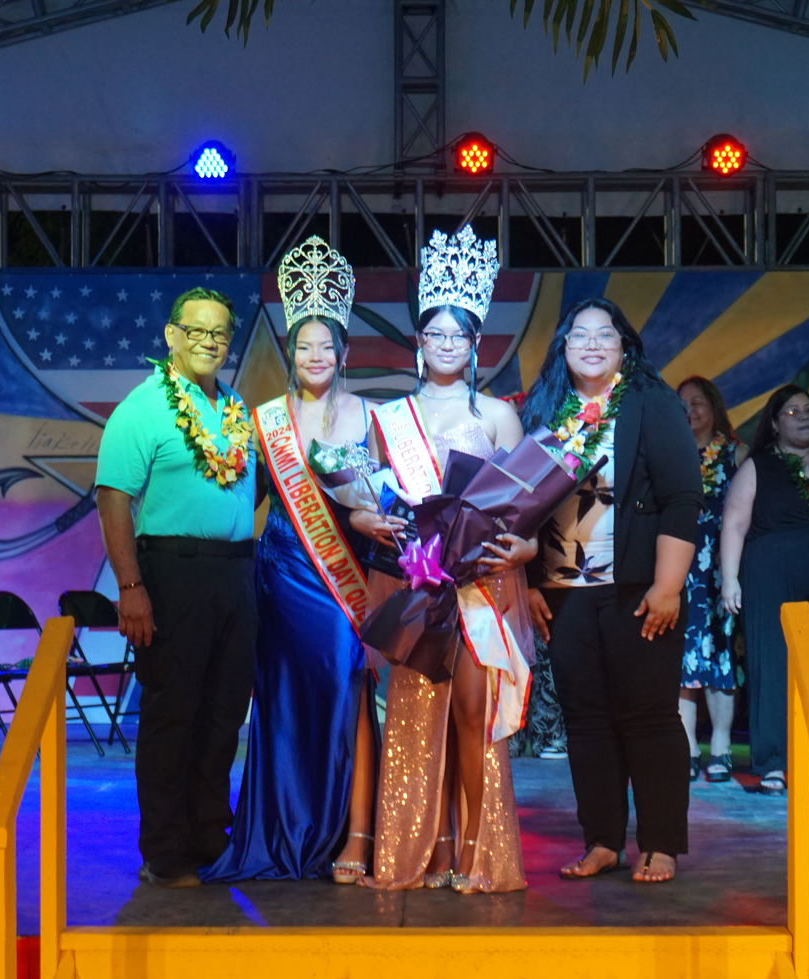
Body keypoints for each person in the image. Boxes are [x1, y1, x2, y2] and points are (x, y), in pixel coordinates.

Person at [201, 237, 382, 885]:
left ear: (343, 352)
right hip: (279, 576)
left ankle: (348, 834)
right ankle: (283, 828)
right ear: (291, 352)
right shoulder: (266, 420)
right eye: (303, 346)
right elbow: (244, 500)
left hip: (341, 579)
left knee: (343, 690)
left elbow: (385, 496)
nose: (315, 355)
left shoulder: (369, 416)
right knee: (281, 703)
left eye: (325, 345)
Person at [360, 225, 534, 894]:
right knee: (416, 716)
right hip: (418, 583)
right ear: (419, 340)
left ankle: (477, 850)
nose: (447, 344)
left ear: (476, 343)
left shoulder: (496, 415)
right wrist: (378, 522)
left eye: (459, 335)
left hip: (479, 586)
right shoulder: (390, 417)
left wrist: (510, 546)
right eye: (436, 333)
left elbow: (519, 504)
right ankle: (427, 849)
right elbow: (377, 498)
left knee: (471, 713)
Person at [525, 299, 702, 883]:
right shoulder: (545, 409)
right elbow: (517, 503)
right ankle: (601, 841)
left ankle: (660, 843)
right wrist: (528, 584)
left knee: (648, 716)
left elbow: (682, 497)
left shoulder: (652, 403)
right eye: (581, 335)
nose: (593, 344)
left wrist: (668, 586)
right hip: (563, 591)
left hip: (638, 588)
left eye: (606, 335)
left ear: (624, 346)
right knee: (586, 721)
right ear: (564, 346)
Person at [96, 286, 258, 887]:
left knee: (223, 715)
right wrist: (130, 586)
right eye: (197, 330)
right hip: (172, 574)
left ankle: (210, 838)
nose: (210, 342)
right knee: (173, 714)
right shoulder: (142, 408)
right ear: (171, 335)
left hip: (235, 573)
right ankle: (165, 854)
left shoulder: (236, 409)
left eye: (220, 333)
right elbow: (113, 498)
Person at [718, 385, 809, 794]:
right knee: (774, 664)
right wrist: (730, 579)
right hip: (771, 574)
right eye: (792, 412)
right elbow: (735, 523)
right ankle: (774, 762)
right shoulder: (759, 465)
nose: (804, 416)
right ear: (775, 424)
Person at [675, 376, 745, 785]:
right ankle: (686, 745)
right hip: (680, 567)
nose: (690, 410)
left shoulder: (737, 453)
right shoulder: (670, 454)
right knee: (683, 657)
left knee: (721, 655)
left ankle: (721, 745)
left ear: (714, 406)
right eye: (683, 403)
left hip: (722, 568)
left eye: (698, 402)